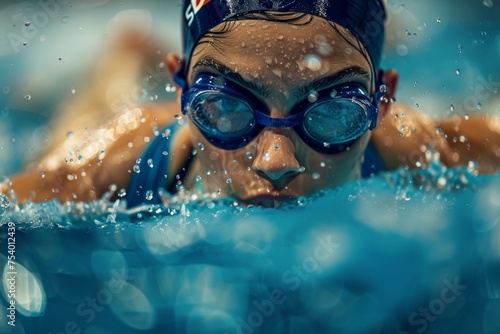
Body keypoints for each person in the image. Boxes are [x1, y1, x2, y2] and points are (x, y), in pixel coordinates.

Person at [1, 0, 499, 208]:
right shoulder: (102, 167)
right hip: (122, 131)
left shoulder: (420, 148)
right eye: (224, 107)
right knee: (95, 106)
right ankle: (127, 55)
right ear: (180, 90)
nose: (276, 162)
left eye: (333, 111)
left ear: (382, 101)